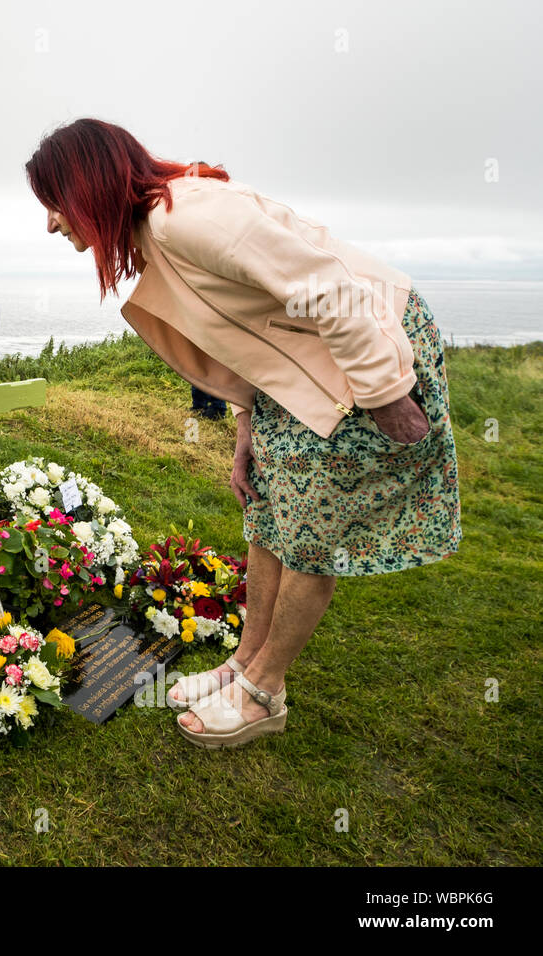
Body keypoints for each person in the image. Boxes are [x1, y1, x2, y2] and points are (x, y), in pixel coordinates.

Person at [27, 119, 460, 748]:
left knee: (311, 527)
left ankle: (265, 692)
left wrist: (387, 393)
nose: (50, 223)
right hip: (300, 371)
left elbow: (324, 285)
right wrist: (245, 428)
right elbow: (245, 340)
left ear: (86, 185)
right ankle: (243, 665)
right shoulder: (159, 228)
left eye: (53, 204)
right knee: (268, 513)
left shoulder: (187, 218)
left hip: (363, 350)